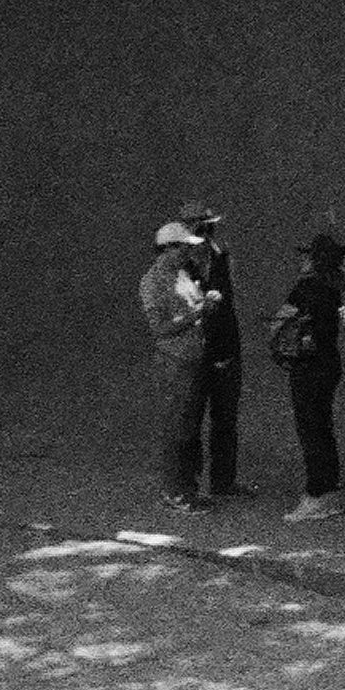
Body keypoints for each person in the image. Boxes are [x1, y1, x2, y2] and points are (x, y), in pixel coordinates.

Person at [273, 235, 345, 521]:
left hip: (307, 366)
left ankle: (316, 495)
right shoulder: (335, 287)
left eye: (307, 255)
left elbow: (280, 320)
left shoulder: (306, 288)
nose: (302, 259)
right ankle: (329, 493)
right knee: (323, 428)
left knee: (310, 430)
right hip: (329, 362)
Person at [139, 219, 220, 511]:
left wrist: (204, 304)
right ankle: (174, 492)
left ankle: (189, 488)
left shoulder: (182, 274)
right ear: (167, 249)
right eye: (183, 248)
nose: (188, 253)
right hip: (174, 365)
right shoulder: (153, 281)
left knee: (190, 429)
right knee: (175, 428)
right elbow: (160, 327)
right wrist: (199, 311)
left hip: (193, 361)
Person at [181, 203, 252, 497]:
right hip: (195, 348)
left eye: (208, 226)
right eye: (199, 226)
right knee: (191, 418)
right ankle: (190, 483)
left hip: (224, 343)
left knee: (225, 418)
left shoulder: (221, 256)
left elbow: (230, 298)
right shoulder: (179, 264)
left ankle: (223, 480)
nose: (205, 231)